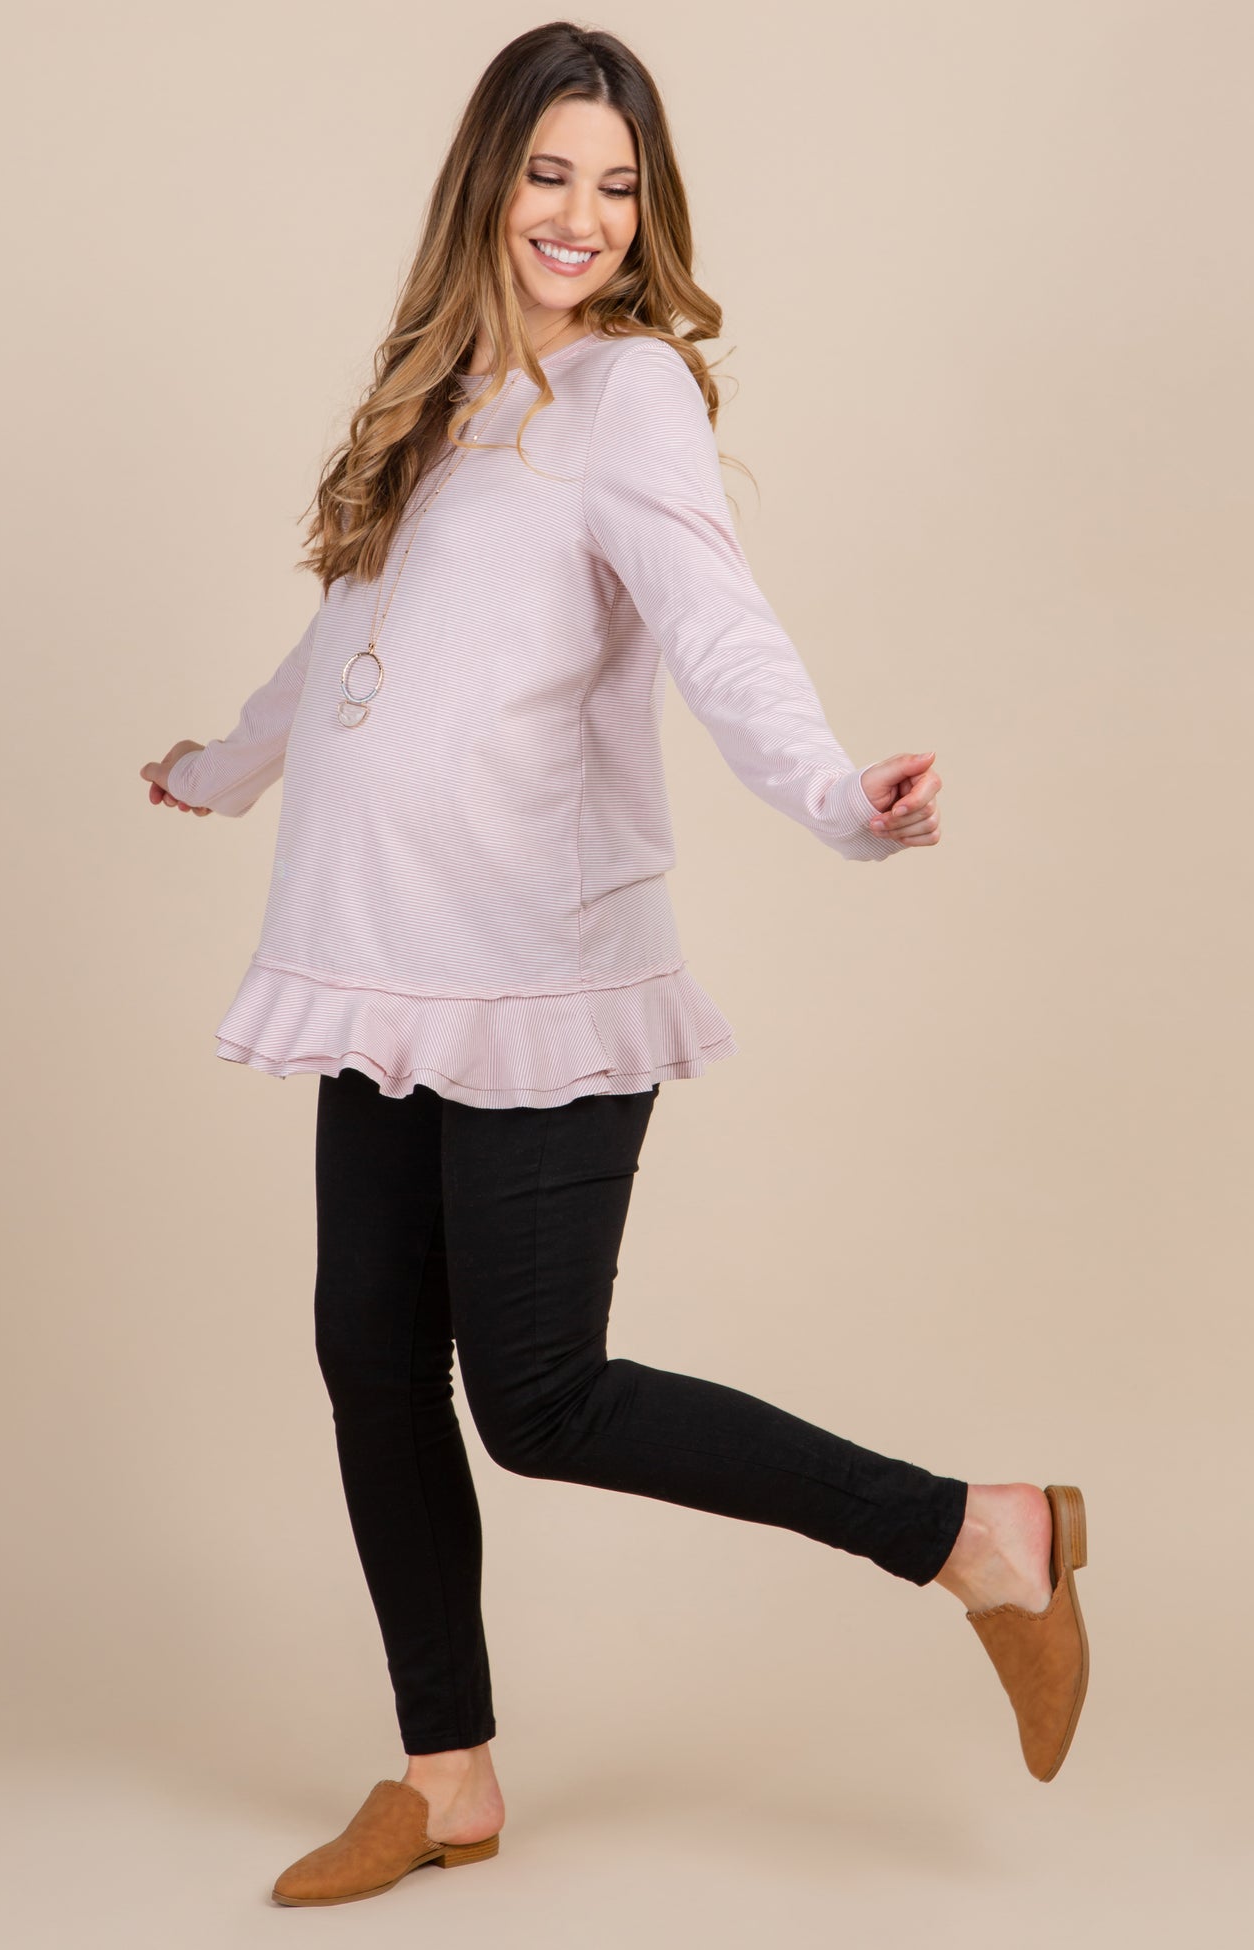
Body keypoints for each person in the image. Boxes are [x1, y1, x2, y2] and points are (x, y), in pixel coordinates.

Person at [141, 21, 1089, 1909]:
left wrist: (836, 794)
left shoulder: (629, 391)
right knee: (368, 1358)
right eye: (550, 172)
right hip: (376, 965)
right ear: (486, 181)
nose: (580, 215)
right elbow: (345, 647)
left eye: (618, 185)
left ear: (648, 214)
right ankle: (449, 1773)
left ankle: (977, 1533)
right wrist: (224, 767)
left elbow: (719, 627)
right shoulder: (427, 396)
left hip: (538, 974)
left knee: (543, 1395)